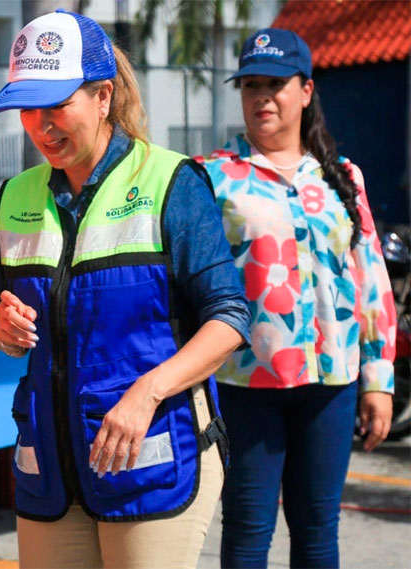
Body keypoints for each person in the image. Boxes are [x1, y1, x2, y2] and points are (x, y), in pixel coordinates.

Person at [0, 10, 251, 569]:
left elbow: (229, 318)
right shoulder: (14, 197)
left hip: (153, 460)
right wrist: (3, 328)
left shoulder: (170, 182)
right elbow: (29, 322)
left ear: (103, 96)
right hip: (52, 470)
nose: (41, 126)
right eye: (27, 108)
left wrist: (148, 392)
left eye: (57, 105)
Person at [197, 28, 397, 568]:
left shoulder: (343, 178)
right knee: (246, 531)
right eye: (250, 85)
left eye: (276, 84)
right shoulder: (212, 178)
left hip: (330, 384)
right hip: (245, 383)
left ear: (306, 90)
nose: (262, 96)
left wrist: (379, 381)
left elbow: (371, 280)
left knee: (316, 533)